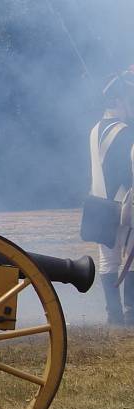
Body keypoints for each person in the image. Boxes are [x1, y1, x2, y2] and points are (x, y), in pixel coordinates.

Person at [91, 68, 134, 326]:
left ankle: (114, 314)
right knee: (131, 259)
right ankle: (131, 314)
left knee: (108, 262)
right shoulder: (126, 131)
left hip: (98, 204)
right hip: (124, 206)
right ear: (118, 101)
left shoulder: (94, 129)